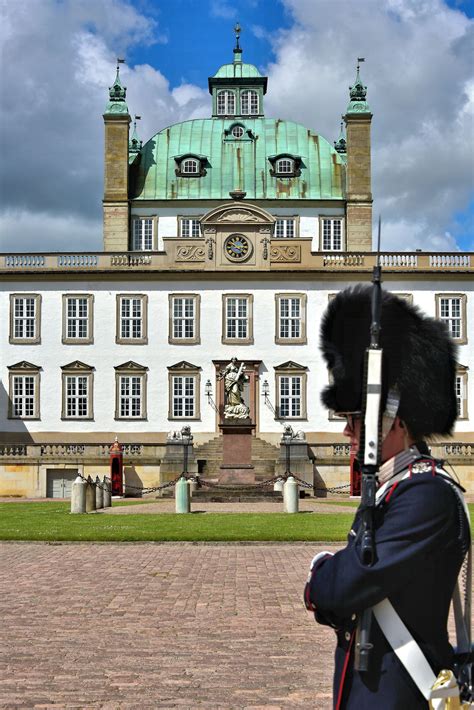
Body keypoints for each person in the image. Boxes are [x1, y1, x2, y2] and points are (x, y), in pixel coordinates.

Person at [304, 286, 471, 709]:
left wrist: (322, 575)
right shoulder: (397, 488)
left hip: (398, 689)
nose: (347, 432)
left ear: (392, 419)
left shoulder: (426, 495)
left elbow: (347, 586)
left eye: (356, 420)